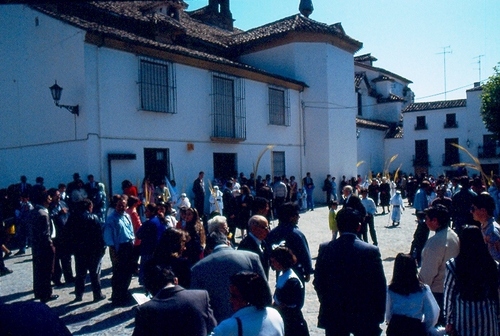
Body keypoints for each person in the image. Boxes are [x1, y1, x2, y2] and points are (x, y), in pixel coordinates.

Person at [314, 207, 386, 336]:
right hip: (364, 312)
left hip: (334, 312)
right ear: (359, 226)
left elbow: (318, 281)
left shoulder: (326, 249)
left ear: (337, 225)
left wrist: (327, 302)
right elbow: (379, 286)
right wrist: (379, 314)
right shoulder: (371, 251)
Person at [191, 221, 266, 323]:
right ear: (227, 242)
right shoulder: (252, 258)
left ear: (208, 249)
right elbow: (265, 294)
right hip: (253, 320)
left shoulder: (197, 268)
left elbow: (197, 306)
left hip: (220, 324)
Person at [443, 226, 499, 336]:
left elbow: (449, 295)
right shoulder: (492, 265)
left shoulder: (453, 265)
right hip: (487, 316)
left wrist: (449, 320)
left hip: (464, 317)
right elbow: (496, 292)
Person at [133, 266, 217, 336]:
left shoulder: (145, 309)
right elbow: (213, 327)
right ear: (176, 280)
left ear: (149, 288)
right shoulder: (200, 296)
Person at [418, 204, 459, 325]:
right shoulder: (454, 235)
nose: (425, 222)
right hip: (452, 289)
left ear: (435, 220)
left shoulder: (435, 242)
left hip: (437, 293)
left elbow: (428, 274)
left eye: (427, 219)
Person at [211, 271, 284, 336]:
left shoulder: (229, 326)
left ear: (248, 298)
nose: (230, 300)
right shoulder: (275, 314)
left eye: (234, 296)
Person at [385, 253, 439, 336]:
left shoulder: (390, 290)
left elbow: (388, 314)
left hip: (395, 329)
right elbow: (432, 315)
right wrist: (424, 327)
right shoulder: (423, 290)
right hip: (415, 329)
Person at [69, 198, 106, 302]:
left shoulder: (73, 217)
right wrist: (102, 248)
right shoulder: (94, 217)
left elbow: (68, 233)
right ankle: (97, 294)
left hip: (79, 249)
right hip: (93, 249)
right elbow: (99, 235)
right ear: (89, 207)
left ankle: (78, 294)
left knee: (80, 273)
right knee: (95, 273)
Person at [267, 202, 313, 284]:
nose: (298, 217)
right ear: (291, 217)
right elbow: (304, 253)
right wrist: (308, 270)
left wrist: (273, 265)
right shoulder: (297, 234)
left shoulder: (272, 233)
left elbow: (269, 252)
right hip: (297, 270)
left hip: (280, 270)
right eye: (297, 215)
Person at [103, 194, 136, 306]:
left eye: (123, 205)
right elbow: (108, 236)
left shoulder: (126, 216)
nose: (121, 207)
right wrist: (113, 251)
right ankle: (116, 295)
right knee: (118, 273)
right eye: (119, 205)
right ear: (115, 206)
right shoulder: (111, 219)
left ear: (126, 206)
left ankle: (124, 292)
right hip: (119, 248)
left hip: (129, 246)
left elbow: (131, 230)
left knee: (128, 272)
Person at [270, 246, 309, 336]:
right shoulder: (282, 274)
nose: (272, 264)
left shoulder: (292, 281)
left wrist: (271, 312)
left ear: (281, 261)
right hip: (284, 319)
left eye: (274, 261)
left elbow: (285, 305)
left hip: (291, 323)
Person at [30, 190, 58, 302]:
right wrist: (50, 245)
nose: (50, 199)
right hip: (45, 246)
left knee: (38, 270)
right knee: (46, 270)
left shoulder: (34, 211)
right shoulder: (43, 214)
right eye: (48, 197)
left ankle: (38, 291)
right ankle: (46, 293)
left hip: (36, 246)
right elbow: (45, 234)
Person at [470, 192, 500, 261]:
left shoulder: (492, 232)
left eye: (473, 209)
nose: (471, 212)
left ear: (483, 211)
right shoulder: (484, 226)